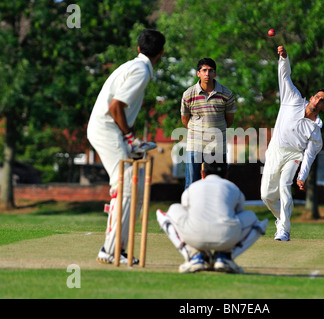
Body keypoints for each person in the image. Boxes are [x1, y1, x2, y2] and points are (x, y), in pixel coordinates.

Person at [87, 29, 165, 265]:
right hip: (106, 127)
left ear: (138, 48)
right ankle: (109, 250)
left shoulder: (133, 66)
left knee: (135, 185)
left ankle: (118, 247)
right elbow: (115, 107)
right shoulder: (140, 70)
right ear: (161, 53)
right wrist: (129, 137)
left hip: (109, 129)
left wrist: (128, 138)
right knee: (127, 183)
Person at [261, 46, 324, 241]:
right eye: (317, 97)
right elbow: (285, 77)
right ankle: (282, 220)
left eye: (322, 101)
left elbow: (309, 156)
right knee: (266, 195)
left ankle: (283, 230)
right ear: (311, 97)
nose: (318, 101)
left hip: (294, 156)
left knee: (285, 186)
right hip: (275, 150)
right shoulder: (291, 98)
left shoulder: (315, 130)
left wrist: (302, 176)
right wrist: (284, 58)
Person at [156, 160, 268, 273]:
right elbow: (239, 211)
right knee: (253, 217)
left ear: (202, 173)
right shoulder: (233, 188)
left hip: (194, 236)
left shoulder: (193, 187)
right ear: (226, 174)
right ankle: (225, 257)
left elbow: (185, 209)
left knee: (172, 209)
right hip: (226, 238)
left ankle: (194, 256)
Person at [181, 58, 237, 189]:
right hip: (195, 144)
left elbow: (229, 120)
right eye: (204, 70)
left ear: (215, 73)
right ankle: (189, 209)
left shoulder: (226, 94)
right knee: (191, 183)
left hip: (217, 144)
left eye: (211, 71)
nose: (207, 74)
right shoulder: (189, 94)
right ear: (198, 73)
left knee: (219, 183)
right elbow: (185, 119)